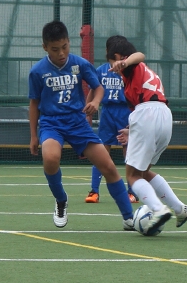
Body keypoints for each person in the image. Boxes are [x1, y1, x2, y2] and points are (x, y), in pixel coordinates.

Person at [28, 21, 134, 230]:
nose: (61, 53)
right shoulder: (37, 71)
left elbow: (99, 88)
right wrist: (33, 135)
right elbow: (34, 104)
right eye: (55, 49)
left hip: (77, 123)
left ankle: (129, 218)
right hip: (51, 123)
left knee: (109, 167)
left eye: (64, 47)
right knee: (50, 158)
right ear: (45, 47)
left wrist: (94, 102)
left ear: (69, 42)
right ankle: (61, 200)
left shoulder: (80, 64)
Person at [107, 35, 187, 235]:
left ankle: (158, 209)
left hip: (147, 114)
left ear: (118, 56)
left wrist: (124, 62)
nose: (112, 66)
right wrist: (132, 131)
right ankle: (180, 209)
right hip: (163, 116)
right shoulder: (144, 74)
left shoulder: (131, 65)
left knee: (132, 175)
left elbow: (140, 54)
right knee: (144, 172)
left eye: (111, 60)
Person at [84, 37, 137, 204]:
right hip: (107, 113)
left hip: (125, 112)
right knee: (101, 152)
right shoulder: (101, 70)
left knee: (129, 151)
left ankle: (131, 191)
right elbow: (93, 91)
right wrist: (87, 113)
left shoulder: (128, 71)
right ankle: (94, 191)